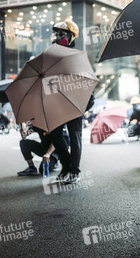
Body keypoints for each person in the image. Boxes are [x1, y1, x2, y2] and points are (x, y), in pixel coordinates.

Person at [48, 19, 95, 184]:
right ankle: (66, 166)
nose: (58, 36)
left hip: (75, 104)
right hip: (58, 103)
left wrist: (87, 103)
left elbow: (87, 80)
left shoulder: (78, 56)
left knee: (75, 137)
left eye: (62, 34)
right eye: (57, 33)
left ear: (71, 36)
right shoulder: (52, 55)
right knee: (55, 135)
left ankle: (74, 171)